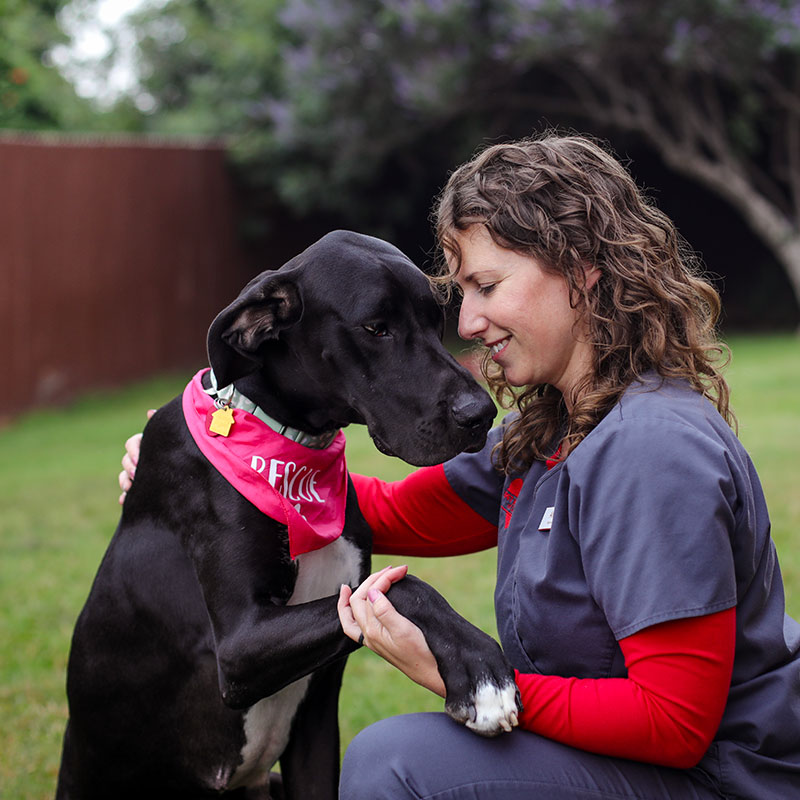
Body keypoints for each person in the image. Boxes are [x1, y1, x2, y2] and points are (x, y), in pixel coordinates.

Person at [120, 134, 800, 799]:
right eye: (461, 295)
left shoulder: (651, 449)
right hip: (636, 766)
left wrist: (461, 673)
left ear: (582, 268)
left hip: (721, 780)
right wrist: (215, 472)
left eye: (486, 286)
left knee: (396, 763)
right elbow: (383, 512)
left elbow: (674, 724)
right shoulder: (550, 431)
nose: (468, 322)